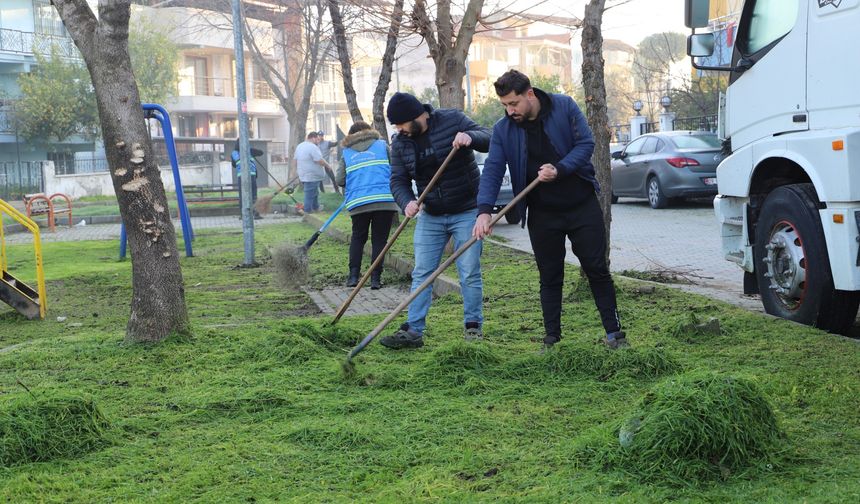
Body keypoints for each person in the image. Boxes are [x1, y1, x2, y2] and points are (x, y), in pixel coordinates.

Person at [473, 69, 628, 351]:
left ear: (529, 94)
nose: (510, 111)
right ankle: (552, 339)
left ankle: (614, 334)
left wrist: (560, 168)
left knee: (596, 269)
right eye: (505, 105)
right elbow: (493, 169)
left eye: (514, 103)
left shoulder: (563, 106)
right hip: (542, 214)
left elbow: (586, 144)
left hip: (581, 205)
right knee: (550, 275)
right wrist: (484, 210)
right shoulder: (503, 130)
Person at [380, 91, 491, 350]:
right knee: (422, 272)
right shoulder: (401, 143)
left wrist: (470, 137)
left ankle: (473, 326)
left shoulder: (452, 120)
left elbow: (489, 137)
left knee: (469, 271)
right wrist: (407, 201)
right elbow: (398, 180)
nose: (399, 130)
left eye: (401, 124)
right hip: (431, 214)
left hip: (467, 210)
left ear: (416, 116)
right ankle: (413, 330)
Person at [335, 121, 399, 290]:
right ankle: (375, 279)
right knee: (379, 240)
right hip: (384, 200)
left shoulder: (346, 153)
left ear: (350, 135)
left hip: (358, 202)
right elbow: (396, 168)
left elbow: (340, 180)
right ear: (369, 131)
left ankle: (353, 277)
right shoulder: (382, 146)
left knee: (358, 238)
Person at [294, 131, 330, 213]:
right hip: (312, 175)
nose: (318, 142)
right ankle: (307, 211)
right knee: (309, 194)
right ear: (313, 138)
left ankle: (316, 208)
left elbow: (295, 160)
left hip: (303, 174)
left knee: (314, 192)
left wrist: (296, 171)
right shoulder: (312, 147)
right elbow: (319, 160)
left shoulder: (300, 146)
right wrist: (327, 165)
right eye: (317, 139)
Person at [231, 139, 263, 220]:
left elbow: (234, 165)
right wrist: (251, 151)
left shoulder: (234, 154)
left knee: (242, 196)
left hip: (241, 177)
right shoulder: (249, 151)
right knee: (253, 195)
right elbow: (261, 152)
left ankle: (243, 215)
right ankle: (255, 214)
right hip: (251, 176)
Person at [317, 131, 341, 195]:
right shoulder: (315, 144)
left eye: (321, 136)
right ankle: (322, 192)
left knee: (332, 177)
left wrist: (339, 140)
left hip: (326, 164)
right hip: (319, 164)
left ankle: (337, 191)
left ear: (323, 136)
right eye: (319, 136)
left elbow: (334, 144)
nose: (320, 137)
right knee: (319, 178)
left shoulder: (327, 143)